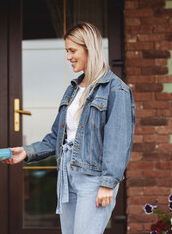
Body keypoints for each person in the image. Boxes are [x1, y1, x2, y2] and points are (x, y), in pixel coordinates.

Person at [7, 22, 135, 234]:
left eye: (72, 50)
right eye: (67, 51)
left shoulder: (116, 90)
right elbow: (57, 137)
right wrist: (27, 152)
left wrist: (108, 183)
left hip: (93, 180)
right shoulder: (73, 89)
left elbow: (118, 142)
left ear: (89, 49)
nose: (68, 57)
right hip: (66, 177)